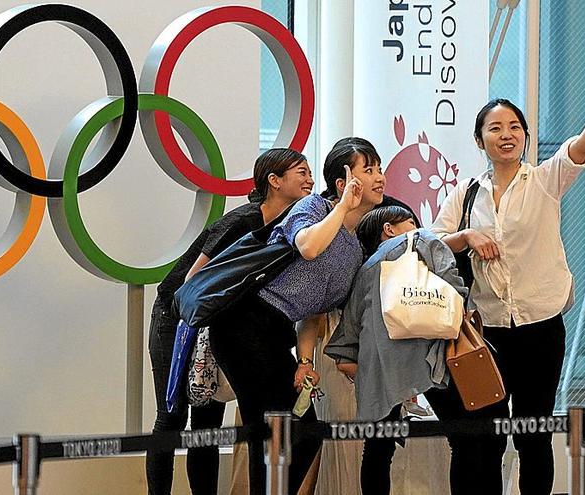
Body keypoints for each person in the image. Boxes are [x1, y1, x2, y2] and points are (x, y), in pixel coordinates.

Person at [429, 72, 585, 494]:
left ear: (525, 135)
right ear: (479, 139)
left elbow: (580, 146)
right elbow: (431, 246)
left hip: (540, 327)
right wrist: (466, 237)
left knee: (533, 433)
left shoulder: (543, 181)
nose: (507, 135)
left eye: (515, 127)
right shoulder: (465, 194)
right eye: (495, 128)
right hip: (488, 334)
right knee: (487, 436)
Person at [208, 142, 386, 495]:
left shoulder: (354, 250)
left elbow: (315, 311)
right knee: (278, 432)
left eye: (379, 168)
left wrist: (304, 361)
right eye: (368, 170)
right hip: (242, 322)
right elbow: (309, 246)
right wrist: (342, 210)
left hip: (276, 334)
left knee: (299, 436)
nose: (379, 177)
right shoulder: (314, 208)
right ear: (342, 181)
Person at [146, 148, 314, 495]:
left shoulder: (291, 229)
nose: (310, 180)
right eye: (301, 172)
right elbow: (193, 283)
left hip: (216, 323)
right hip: (177, 318)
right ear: (274, 180)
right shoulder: (243, 221)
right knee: (173, 416)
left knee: (208, 420)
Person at [324, 206, 465, 495]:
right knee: (463, 436)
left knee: (377, 448)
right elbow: (453, 286)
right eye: (410, 221)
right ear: (389, 228)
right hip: (430, 354)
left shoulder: (364, 270)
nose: (417, 225)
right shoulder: (422, 239)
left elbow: (348, 336)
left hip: (379, 367)